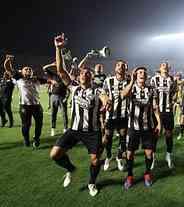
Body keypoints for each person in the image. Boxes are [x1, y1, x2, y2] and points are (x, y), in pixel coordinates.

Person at [49, 34, 111, 197]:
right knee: (55, 154)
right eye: (82, 73)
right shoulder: (74, 87)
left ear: (91, 76)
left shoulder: (97, 90)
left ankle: (92, 182)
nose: (84, 74)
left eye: (87, 73)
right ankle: (70, 169)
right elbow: (61, 70)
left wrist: (106, 103)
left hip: (92, 131)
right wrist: (58, 48)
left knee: (95, 160)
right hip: (74, 129)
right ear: (79, 76)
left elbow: (105, 98)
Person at [121, 67, 161, 189]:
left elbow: (155, 108)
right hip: (133, 127)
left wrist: (159, 123)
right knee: (130, 153)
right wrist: (132, 81)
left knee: (149, 153)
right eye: (139, 72)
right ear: (136, 75)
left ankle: (147, 174)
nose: (141, 74)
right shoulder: (131, 87)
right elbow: (123, 95)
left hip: (148, 127)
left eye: (143, 72)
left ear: (147, 76)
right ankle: (129, 175)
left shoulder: (151, 89)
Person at [3, 55, 47, 148]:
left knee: (39, 124)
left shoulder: (37, 79)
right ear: (22, 72)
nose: (28, 70)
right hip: (25, 106)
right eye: (26, 69)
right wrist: (8, 60)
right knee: (26, 125)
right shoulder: (18, 78)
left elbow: (50, 80)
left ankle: (37, 138)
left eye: (30, 69)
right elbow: (8, 68)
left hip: (37, 105)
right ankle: (26, 139)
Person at [101, 60, 130, 171]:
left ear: (125, 68)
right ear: (115, 68)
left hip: (124, 114)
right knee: (108, 137)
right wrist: (105, 100)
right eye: (118, 65)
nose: (120, 67)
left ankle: (119, 157)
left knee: (123, 138)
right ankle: (108, 156)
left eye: (122, 66)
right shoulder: (108, 81)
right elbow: (103, 93)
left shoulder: (129, 81)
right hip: (110, 115)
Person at [150, 62, 177, 169]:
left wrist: (173, 99)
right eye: (162, 65)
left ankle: (168, 155)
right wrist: (154, 105)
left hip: (168, 111)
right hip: (157, 111)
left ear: (169, 68)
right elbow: (152, 94)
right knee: (155, 134)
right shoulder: (154, 79)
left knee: (169, 134)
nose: (165, 67)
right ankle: (152, 157)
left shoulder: (172, 79)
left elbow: (175, 91)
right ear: (160, 68)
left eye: (166, 65)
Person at [43, 62, 69, 136]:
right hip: (53, 96)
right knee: (53, 114)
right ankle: (53, 129)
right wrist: (52, 65)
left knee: (64, 114)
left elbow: (69, 89)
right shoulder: (54, 75)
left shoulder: (66, 76)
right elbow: (44, 68)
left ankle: (65, 128)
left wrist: (66, 98)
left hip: (62, 96)